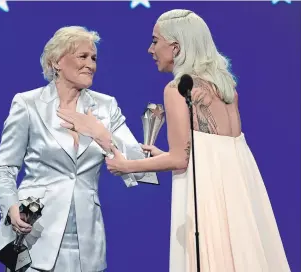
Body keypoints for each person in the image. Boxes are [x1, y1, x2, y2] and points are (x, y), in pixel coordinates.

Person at [105, 9, 291, 272]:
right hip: (240, 195)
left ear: (176, 47)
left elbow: (181, 158)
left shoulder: (177, 89)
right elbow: (212, 149)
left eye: (155, 41)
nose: (150, 49)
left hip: (207, 195)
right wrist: (163, 154)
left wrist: (126, 166)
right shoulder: (227, 89)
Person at [0, 26, 145, 272]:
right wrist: (11, 208)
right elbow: (4, 168)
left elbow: (139, 169)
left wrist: (102, 136)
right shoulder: (28, 104)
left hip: (86, 240)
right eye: (82, 57)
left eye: (94, 58)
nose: (91, 65)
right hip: (35, 233)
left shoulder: (106, 107)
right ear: (56, 62)